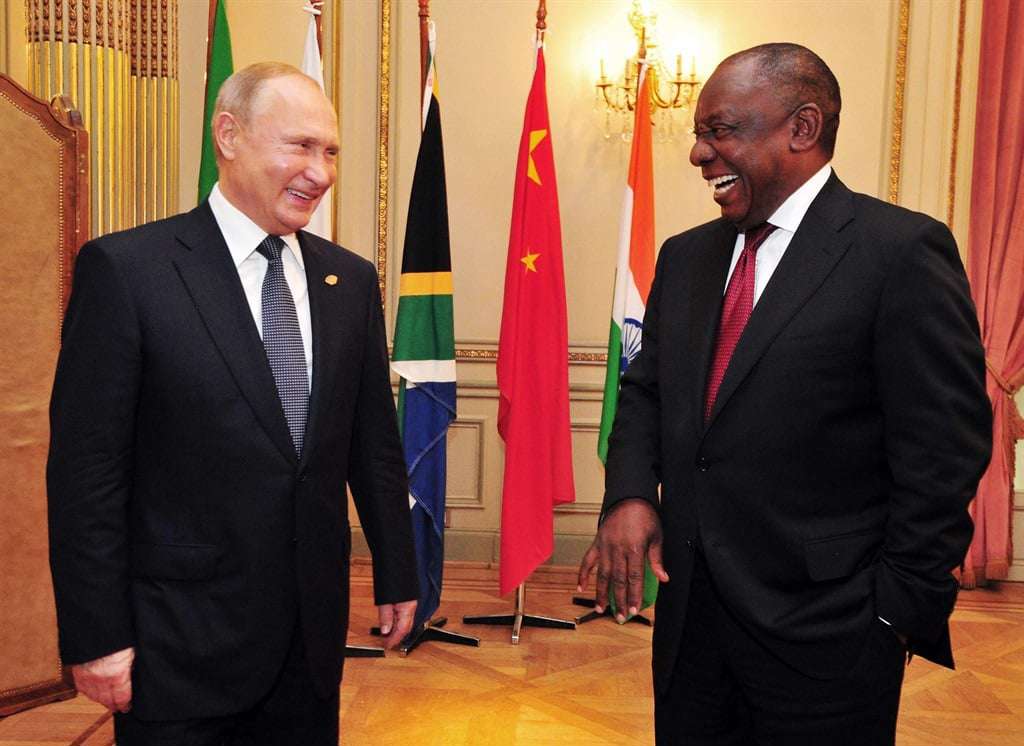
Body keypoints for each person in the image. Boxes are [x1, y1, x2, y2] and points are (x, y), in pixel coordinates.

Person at [577, 43, 992, 745]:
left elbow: (943, 453)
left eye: (720, 130)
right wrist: (629, 496)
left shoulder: (900, 252)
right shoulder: (685, 256)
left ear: (802, 128)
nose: (698, 153)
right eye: (700, 133)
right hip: (690, 626)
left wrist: (893, 616)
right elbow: (644, 393)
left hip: (831, 636)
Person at [47, 62, 418, 745]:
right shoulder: (128, 272)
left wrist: (398, 572)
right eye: (300, 146)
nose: (320, 172)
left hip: (308, 649)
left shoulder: (349, 281)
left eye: (331, 151)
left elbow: (373, 448)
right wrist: (96, 635)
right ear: (229, 136)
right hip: (178, 649)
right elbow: (86, 477)